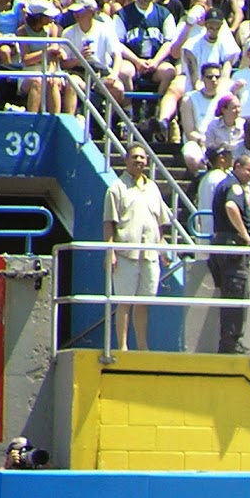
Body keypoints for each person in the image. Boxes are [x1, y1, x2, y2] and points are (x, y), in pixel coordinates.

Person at [102, 144, 172, 353]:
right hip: (125, 253)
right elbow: (109, 222)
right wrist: (110, 252)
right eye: (134, 157)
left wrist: (162, 249)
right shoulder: (116, 188)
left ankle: (142, 347)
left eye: (142, 157)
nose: (139, 161)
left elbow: (160, 222)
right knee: (124, 302)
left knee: (144, 302)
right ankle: (122, 346)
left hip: (149, 254)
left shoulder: (153, 188)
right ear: (126, 160)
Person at [209, 152, 250, 355]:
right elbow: (231, 206)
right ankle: (231, 345)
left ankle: (229, 344)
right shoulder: (235, 186)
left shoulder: (225, 184)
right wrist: (245, 235)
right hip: (232, 250)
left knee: (231, 296)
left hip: (221, 247)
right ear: (237, 166)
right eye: (249, 170)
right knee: (237, 296)